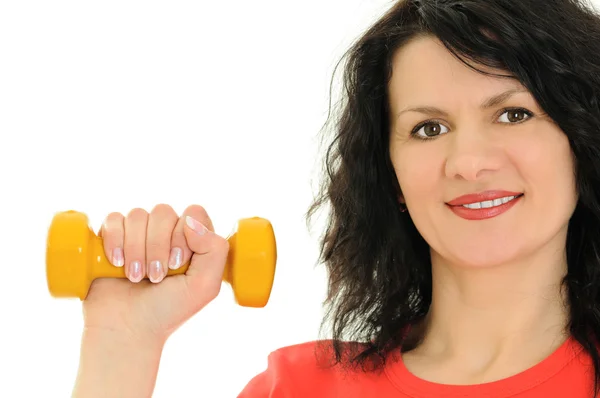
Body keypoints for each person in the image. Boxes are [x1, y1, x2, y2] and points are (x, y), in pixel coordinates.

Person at [70, 0, 600, 396]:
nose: (468, 162)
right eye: (428, 128)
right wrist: (123, 343)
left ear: (582, 140)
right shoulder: (299, 390)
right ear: (391, 177)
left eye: (513, 114)